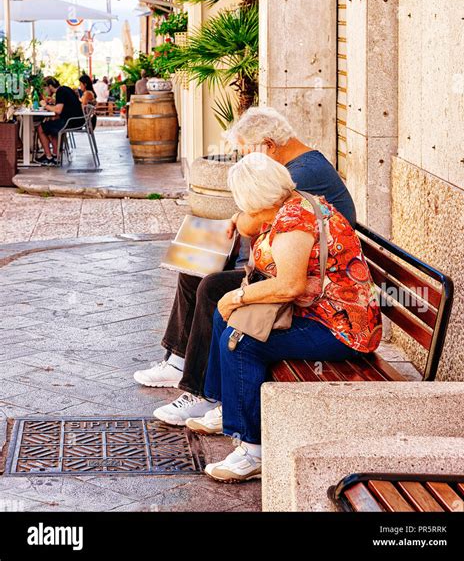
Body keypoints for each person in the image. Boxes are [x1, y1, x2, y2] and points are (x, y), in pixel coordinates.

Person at [135, 106, 357, 425]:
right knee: (196, 267)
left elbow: (255, 221)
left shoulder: (302, 172)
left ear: (268, 143)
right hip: (293, 265)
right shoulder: (293, 162)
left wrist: (238, 222)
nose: (243, 159)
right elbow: (256, 218)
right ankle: (180, 359)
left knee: (213, 287)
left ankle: (200, 391)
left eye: (245, 151)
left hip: (309, 279)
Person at [185, 152, 381, 482]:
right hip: (320, 309)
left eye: (247, 203)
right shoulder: (292, 201)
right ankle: (226, 406)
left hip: (343, 328)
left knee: (242, 341)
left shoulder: (294, 222)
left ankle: (252, 450)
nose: (245, 211)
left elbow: (290, 286)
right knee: (226, 314)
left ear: (260, 199)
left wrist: (238, 296)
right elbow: (251, 226)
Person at [37, 77, 85, 165]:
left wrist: (45, 105)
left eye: (45, 88)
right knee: (50, 126)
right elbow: (66, 104)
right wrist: (54, 101)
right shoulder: (64, 89)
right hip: (77, 120)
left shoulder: (60, 92)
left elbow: (58, 110)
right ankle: (55, 155)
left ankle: (49, 157)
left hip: (72, 121)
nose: (45, 91)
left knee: (41, 128)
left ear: (50, 86)